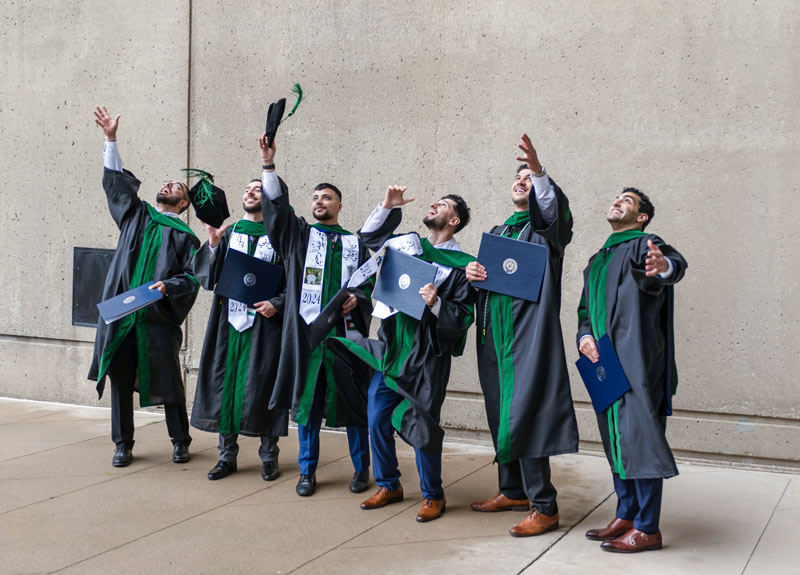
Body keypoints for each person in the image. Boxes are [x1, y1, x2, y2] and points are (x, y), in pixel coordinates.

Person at [330, 185, 475, 523]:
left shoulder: (463, 265)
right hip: (392, 349)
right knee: (376, 417)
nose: (435, 203)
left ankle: (432, 495)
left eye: (445, 204)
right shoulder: (407, 244)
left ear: (453, 220)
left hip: (426, 356)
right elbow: (368, 237)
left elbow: (464, 315)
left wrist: (436, 303)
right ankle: (389, 484)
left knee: (423, 423)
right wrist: (386, 206)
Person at [465, 134, 579, 537]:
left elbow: (553, 212)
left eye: (527, 179)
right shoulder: (500, 231)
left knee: (524, 414)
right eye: (517, 177)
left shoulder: (545, 232)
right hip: (493, 340)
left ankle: (545, 506)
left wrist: (539, 172)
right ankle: (512, 490)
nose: (521, 181)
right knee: (501, 414)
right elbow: (490, 283)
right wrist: (474, 275)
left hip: (526, 340)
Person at [258, 135, 374, 497]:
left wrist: (359, 297)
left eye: (326, 197)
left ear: (340, 204)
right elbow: (276, 212)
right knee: (308, 406)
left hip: (345, 337)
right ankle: (306, 472)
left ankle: (362, 470)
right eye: (315, 197)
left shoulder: (357, 242)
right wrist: (268, 166)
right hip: (309, 336)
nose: (319, 202)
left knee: (353, 404)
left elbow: (371, 283)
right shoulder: (300, 236)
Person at [88, 106, 199, 467]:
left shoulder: (186, 237)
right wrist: (110, 139)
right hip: (122, 314)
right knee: (120, 380)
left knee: (168, 381)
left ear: (183, 204)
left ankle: (180, 441)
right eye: (167, 183)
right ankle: (123, 444)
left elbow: (192, 278)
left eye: (177, 188)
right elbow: (117, 183)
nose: (169, 186)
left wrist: (169, 286)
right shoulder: (136, 215)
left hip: (155, 318)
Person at [577, 188, 687, 553]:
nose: (618, 201)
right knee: (614, 439)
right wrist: (585, 336)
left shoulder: (645, 245)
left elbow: (672, 264)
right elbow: (582, 312)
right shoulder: (597, 258)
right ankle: (626, 512)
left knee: (639, 436)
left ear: (641, 217)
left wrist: (664, 266)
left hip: (636, 359)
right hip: (602, 361)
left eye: (629, 200)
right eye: (617, 197)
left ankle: (647, 528)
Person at [190, 178, 289, 481]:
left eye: (258, 188)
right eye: (247, 188)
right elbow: (208, 279)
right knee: (225, 385)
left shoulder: (280, 236)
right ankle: (226, 456)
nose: (250, 191)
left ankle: (269, 458)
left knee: (266, 386)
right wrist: (213, 244)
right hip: (228, 325)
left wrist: (277, 303)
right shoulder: (229, 233)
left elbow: (294, 283)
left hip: (265, 325)